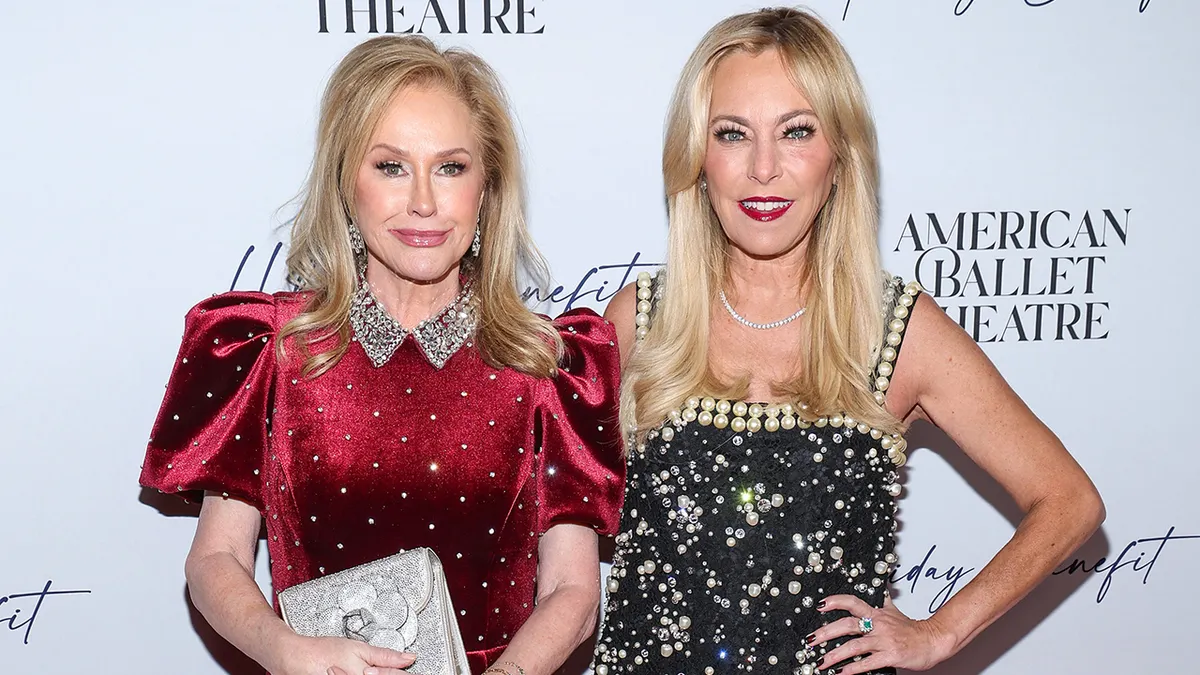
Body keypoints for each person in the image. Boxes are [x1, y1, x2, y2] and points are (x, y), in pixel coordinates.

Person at [592, 8, 1104, 675]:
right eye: (732, 134)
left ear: (839, 156)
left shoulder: (897, 328)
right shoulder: (639, 319)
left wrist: (940, 632)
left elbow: (1070, 501)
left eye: (796, 131)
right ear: (698, 158)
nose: (764, 168)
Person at [140, 35, 625, 675]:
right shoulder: (271, 353)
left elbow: (573, 592)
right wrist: (286, 651)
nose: (423, 201)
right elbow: (215, 560)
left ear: (488, 188)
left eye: (451, 167)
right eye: (391, 166)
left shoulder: (551, 367)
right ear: (346, 183)